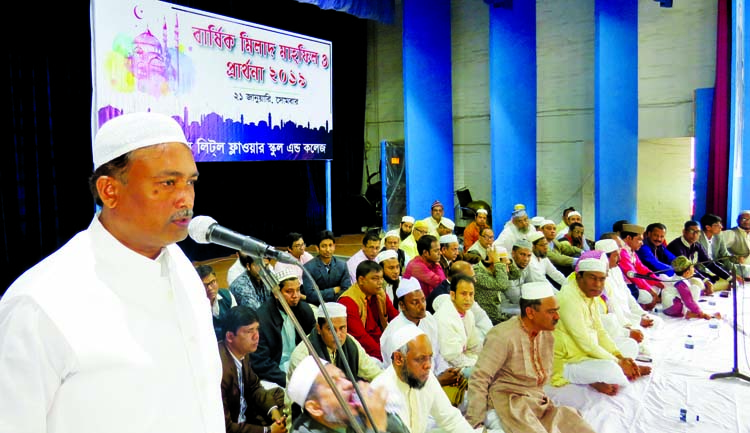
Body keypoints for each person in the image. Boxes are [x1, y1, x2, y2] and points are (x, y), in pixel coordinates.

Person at [0, 112, 224, 432]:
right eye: (168, 182)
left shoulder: (182, 269)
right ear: (109, 191)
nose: (185, 197)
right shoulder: (39, 303)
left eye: (190, 182)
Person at [465, 282, 596, 433]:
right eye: (551, 311)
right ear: (530, 312)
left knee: (578, 425)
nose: (557, 317)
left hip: (538, 402)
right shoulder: (502, 335)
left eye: (557, 311)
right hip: (509, 404)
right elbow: (479, 378)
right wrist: (475, 424)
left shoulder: (547, 334)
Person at [552, 251, 650, 396]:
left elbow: (599, 331)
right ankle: (604, 377)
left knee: (630, 345)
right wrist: (618, 363)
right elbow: (585, 343)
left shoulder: (588, 294)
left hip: (587, 352)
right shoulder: (569, 298)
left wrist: (620, 356)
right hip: (568, 360)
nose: (598, 285)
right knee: (611, 369)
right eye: (592, 278)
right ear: (579, 276)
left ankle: (614, 373)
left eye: (601, 279)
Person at [371, 325, 478, 433]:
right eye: (420, 359)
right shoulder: (379, 394)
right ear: (398, 358)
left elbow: (450, 420)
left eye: (429, 357)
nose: (428, 365)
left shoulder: (426, 377)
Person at [287, 356, 408, 433]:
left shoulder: (354, 414)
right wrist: (376, 425)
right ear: (315, 408)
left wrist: (381, 411)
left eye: (343, 377)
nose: (349, 384)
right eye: (334, 382)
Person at [220, 306, 287, 433]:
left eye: (257, 329)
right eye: (250, 331)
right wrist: (267, 430)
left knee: (278, 395)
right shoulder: (220, 370)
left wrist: (274, 412)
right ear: (230, 336)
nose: (257, 336)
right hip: (234, 426)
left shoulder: (242, 353)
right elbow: (226, 426)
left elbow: (254, 386)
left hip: (246, 413)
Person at [379, 277, 456, 384]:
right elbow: (403, 377)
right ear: (402, 305)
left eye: (423, 300)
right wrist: (439, 382)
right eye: (415, 302)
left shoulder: (428, 318)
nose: (422, 306)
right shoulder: (396, 333)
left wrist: (445, 371)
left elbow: (436, 354)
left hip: (433, 378)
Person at [250, 268, 316, 387]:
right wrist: (288, 381)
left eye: (298, 290)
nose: (295, 296)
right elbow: (261, 363)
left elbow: (314, 345)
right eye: (289, 291)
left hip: (301, 368)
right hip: (275, 375)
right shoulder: (261, 320)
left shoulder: (305, 311)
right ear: (276, 293)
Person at [287, 302, 382, 384]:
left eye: (342, 328)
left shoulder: (351, 344)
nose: (338, 335)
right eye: (331, 330)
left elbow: (375, 373)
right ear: (319, 328)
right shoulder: (303, 356)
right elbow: (300, 401)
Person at [338, 260, 399, 361]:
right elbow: (361, 338)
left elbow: (395, 317)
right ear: (361, 280)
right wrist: (384, 357)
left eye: (381, 278)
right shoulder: (348, 302)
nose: (380, 282)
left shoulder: (379, 293)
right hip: (364, 353)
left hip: (383, 342)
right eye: (375, 279)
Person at [433, 275, 482, 374]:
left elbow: (474, 344)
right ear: (452, 295)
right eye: (463, 294)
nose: (468, 298)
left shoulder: (468, 313)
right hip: (447, 368)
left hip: (465, 360)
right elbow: (452, 358)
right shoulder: (444, 317)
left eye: (471, 294)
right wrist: (478, 363)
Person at [667, 220, 732, 288]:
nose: (695, 235)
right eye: (691, 231)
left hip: (691, 273)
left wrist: (730, 278)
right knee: (701, 283)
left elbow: (709, 263)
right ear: (684, 232)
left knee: (713, 278)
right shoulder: (676, 246)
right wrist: (705, 280)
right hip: (677, 276)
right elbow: (686, 268)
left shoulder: (697, 245)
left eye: (697, 232)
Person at [618, 223, 664, 310]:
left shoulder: (631, 251)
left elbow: (642, 268)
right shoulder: (622, 253)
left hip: (633, 284)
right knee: (649, 295)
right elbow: (634, 276)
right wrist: (650, 291)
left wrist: (657, 282)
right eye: (639, 239)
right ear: (628, 238)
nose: (642, 243)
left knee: (656, 287)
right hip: (626, 288)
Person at [302, 230, 352, 305]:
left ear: (334, 246)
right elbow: (311, 295)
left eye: (330, 245)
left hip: (338, 304)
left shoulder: (342, 265)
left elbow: (347, 290)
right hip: (317, 305)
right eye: (323, 246)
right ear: (317, 248)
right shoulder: (308, 268)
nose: (328, 250)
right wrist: (333, 290)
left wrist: (331, 300)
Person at [197, 264, 238, 340]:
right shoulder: (195, 306)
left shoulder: (227, 295)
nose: (209, 288)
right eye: (204, 285)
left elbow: (236, 321)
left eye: (212, 282)